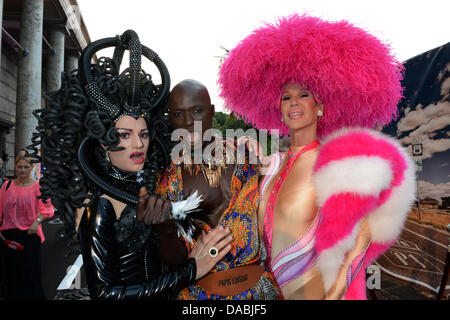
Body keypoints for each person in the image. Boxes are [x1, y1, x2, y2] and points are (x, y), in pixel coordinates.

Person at [218, 14, 416, 299]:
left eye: (304, 94)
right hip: (265, 292)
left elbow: (362, 235)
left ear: (319, 106)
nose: (294, 102)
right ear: (279, 108)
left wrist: (334, 294)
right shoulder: (271, 165)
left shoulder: (335, 164)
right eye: (286, 97)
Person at [28, 30, 231, 300]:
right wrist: (192, 270)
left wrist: (235, 144)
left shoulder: (155, 180)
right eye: (125, 135)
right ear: (103, 142)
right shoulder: (100, 204)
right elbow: (106, 294)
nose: (138, 145)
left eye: (143, 134)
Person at [152, 79, 281, 300]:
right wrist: (165, 231)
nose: (189, 122)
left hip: (261, 292)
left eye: (197, 111)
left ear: (212, 111)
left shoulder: (247, 153)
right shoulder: (169, 181)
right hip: (202, 297)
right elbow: (175, 263)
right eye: (178, 114)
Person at [0, 154, 54, 299]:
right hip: (9, 235)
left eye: (26, 167)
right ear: (15, 167)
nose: (23, 170)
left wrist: (36, 221)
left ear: (31, 168)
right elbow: (0, 210)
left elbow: (47, 210)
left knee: (31, 273)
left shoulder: (38, 187)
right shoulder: (7, 186)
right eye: (19, 167)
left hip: (30, 235)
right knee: (11, 274)